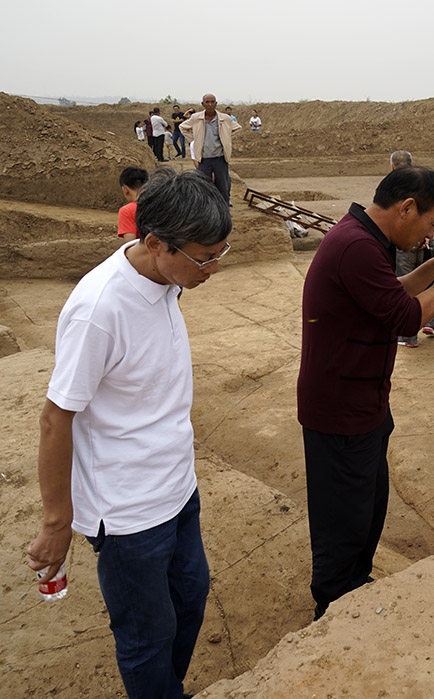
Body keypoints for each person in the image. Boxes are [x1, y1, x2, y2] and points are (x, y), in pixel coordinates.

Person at [26, 170, 232, 699]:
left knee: (190, 598)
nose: (213, 268)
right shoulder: (98, 310)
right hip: (126, 514)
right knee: (146, 634)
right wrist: (56, 520)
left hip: (177, 488)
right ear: (156, 242)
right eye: (205, 257)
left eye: (220, 254)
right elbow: (56, 418)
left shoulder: (167, 279)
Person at [297, 166, 434, 620]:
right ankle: (333, 603)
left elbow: (390, 298)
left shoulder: (365, 240)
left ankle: (354, 585)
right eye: (431, 223)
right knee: (343, 515)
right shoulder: (355, 245)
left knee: (366, 506)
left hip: (362, 401)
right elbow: (408, 319)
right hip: (340, 407)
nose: (431, 232)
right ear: (406, 207)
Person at [389, 151, 434, 348]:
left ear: (392, 167)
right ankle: (430, 323)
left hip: (405, 245)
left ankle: (409, 335)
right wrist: (429, 236)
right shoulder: (425, 184)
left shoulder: (391, 189)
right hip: (427, 242)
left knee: (406, 287)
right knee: (428, 281)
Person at [179, 94, 242, 203]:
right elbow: (182, 127)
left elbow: (238, 128)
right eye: (207, 102)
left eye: (212, 102)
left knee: (223, 187)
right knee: (204, 187)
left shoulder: (224, 118)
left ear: (216, 103)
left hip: (220, 158)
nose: (210, 104)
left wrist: (226, 139)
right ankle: (207, 214)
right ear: (202, 104)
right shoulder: (196, 118)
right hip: (204, 159)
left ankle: (224, 213)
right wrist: (194, 140)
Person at [117, 166, 150, 241]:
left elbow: (129, 243)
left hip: (143, 251)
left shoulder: (127, 211)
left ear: (125, 189)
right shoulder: (161, 203)